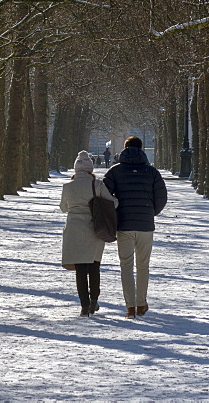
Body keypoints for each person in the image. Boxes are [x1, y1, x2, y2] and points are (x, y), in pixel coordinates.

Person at [103, 136, 168, 318]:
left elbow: (104, 195)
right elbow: (162, 196)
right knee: (143, 266)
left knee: (126, 265)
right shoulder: (152, 172)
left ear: (124, 149)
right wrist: (151, 212)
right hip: (145, 225)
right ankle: (142, 304)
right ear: (141, 149)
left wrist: (117, 210)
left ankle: (130, 307)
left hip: (124, 223)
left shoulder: (114, 171)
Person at [60, 150, 118, 317]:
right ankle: (94, 301)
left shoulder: (67, 187)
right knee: (94, 266)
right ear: (90, 169)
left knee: (79, 269)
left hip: (73, 230)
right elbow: (112, 203)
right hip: (94, 229)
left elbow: (64, 208)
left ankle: (84, 305)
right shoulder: (97, 185)